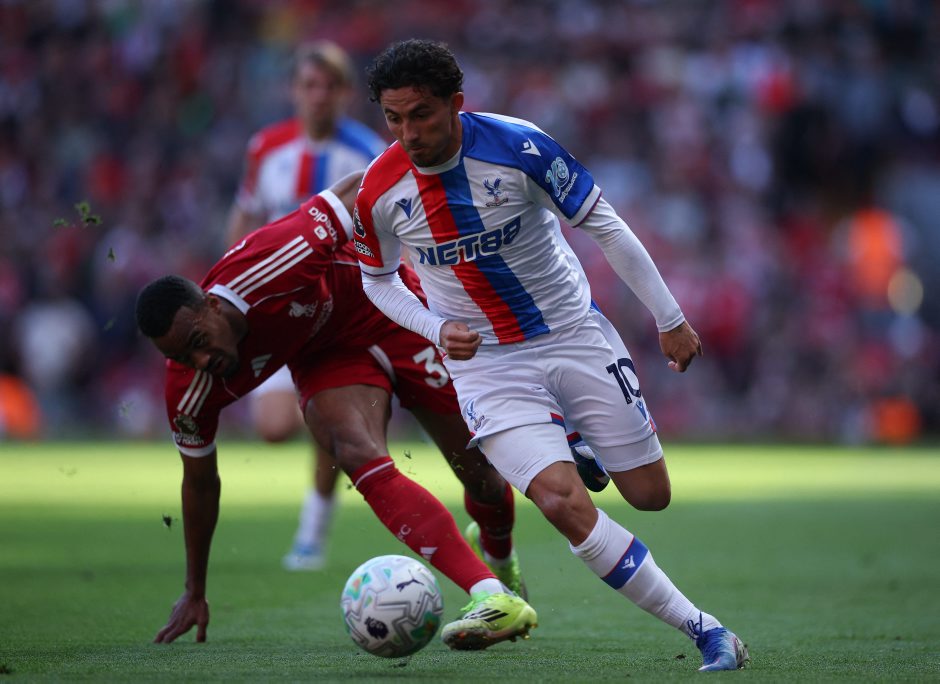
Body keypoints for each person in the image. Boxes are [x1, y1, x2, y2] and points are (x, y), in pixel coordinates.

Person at [354, 39, 749, 672]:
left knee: (650, 494)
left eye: (421, 114)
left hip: (572, 333)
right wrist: (434, 327)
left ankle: (576, 441)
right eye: (394, 118)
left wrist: (670, 318)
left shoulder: (521, 148)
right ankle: (707, 631)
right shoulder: (379, 189)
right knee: (562, 502)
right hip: (487, 366)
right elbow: (376, 281)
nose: (409, 133)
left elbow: (604, 224)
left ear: (456, 104)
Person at [139, 173, 536, 648]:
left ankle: (500, 556)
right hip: (327, 357)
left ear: (210, 305)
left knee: (484, 479)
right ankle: (491, 595)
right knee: (354, 450)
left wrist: (432, 200)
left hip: (390, 310)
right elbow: (200, 484)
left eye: (199, 342)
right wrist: (194, 590)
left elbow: (358, 188)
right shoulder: (191, 388)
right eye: (183, 357)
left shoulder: (272, 260)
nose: (201, 361)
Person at [227, 41, 388, 572]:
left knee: (329, 419)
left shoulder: (368, 152)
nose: (319, 96)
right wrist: (231, 279)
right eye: (309, 85)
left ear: (345, 93)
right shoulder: (266, 147)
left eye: (330, 86)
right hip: (275, 307)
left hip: (338, 310)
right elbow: (246, 215)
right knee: (274, 429)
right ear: (294, 91)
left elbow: (389, 228)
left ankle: (311, 535)